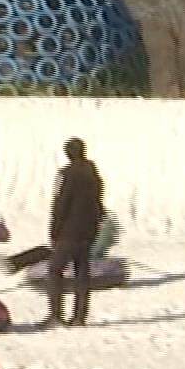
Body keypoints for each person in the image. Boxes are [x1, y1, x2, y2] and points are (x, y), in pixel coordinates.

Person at [43, 137, 105, 327]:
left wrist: (54, 230)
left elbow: (60, 203)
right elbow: (99, 202)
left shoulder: (65, 174)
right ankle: (79, 316)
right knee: (81, 272)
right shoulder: (94, 175)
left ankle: (56, 315)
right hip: (89, 229)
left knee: (55, 270)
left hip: (69, 229)